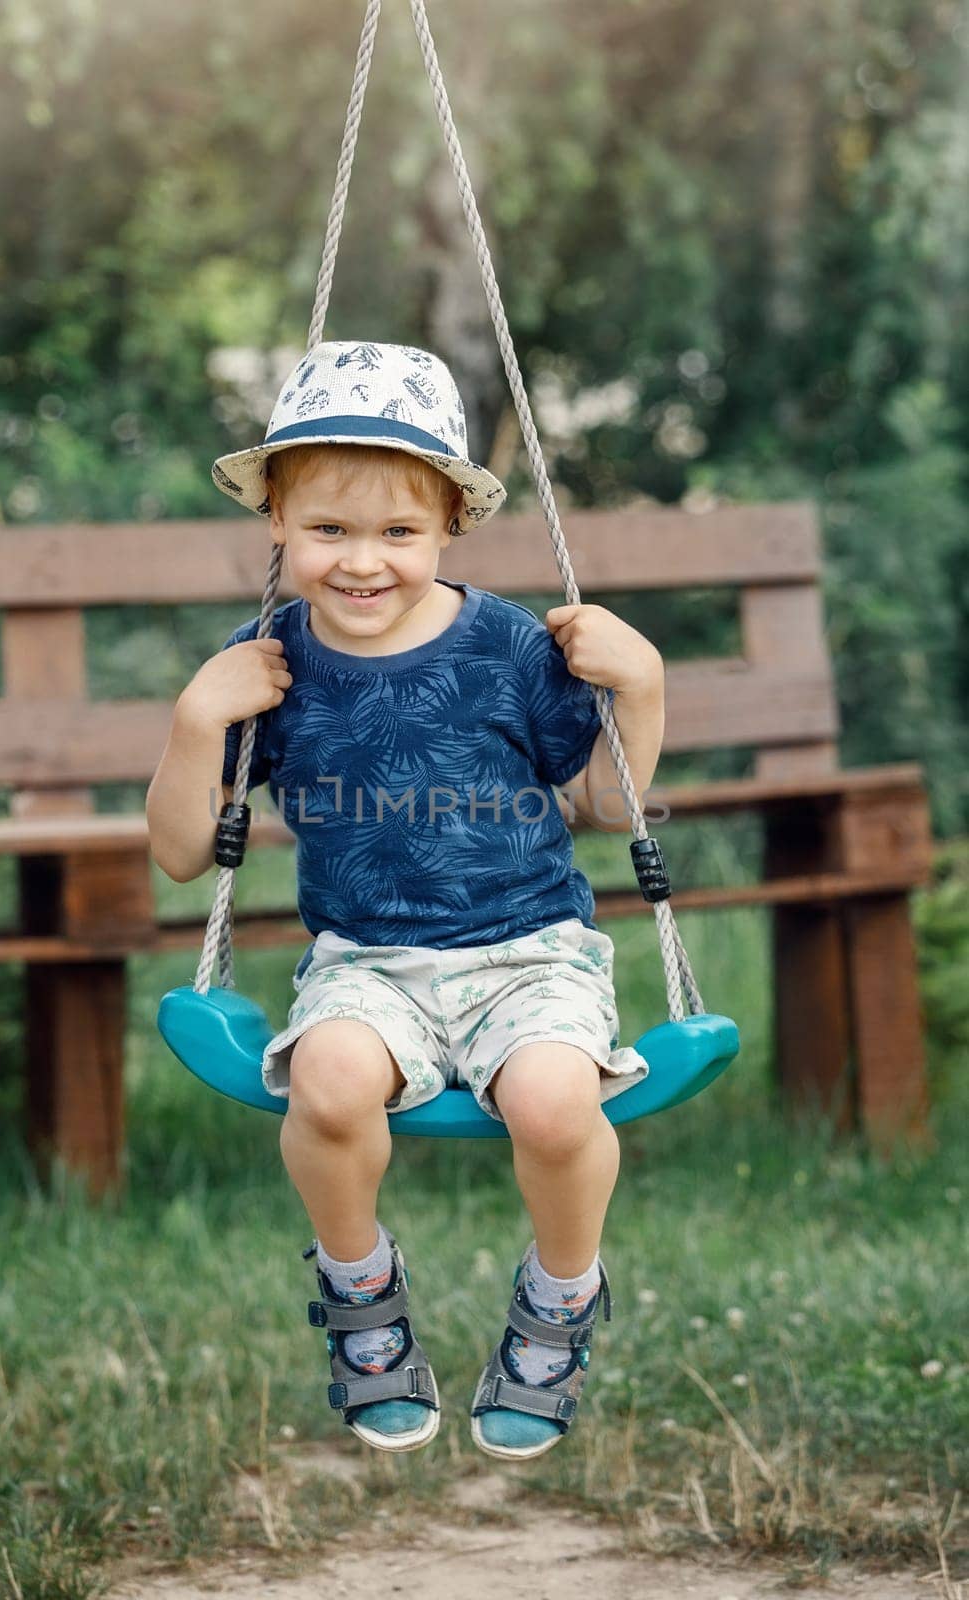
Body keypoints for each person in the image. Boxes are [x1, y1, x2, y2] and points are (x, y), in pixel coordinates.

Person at [145, 340, 666, 1461]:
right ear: (276, 519)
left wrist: (645, 685)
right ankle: (363, 1298)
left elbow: (605, 806)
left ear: (448, 529)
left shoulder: (511, 648)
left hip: (531, 952)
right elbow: (184, 853)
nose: (363, 562)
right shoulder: (266, 661)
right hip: (365, 961)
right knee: (326, 1082)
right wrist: (197, 720)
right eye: (328, 529)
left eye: (399, 533)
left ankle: (560, 1299)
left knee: (552, 1102)